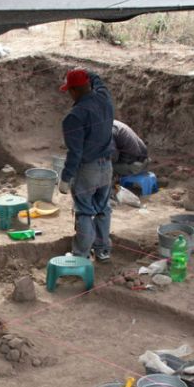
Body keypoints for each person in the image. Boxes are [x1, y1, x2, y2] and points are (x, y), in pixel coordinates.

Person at [56, 68, 115, 262]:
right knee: (103, 209)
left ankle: (81, 254)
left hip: (88, 170)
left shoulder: (74, 117)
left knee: (84, 211)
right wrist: (86, 72)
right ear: (88, 84)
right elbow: (99, 81)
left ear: (73, 91)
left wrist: (65, 178)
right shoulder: (104, 98)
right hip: (107, 167)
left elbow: (75, 153)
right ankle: (102, 250)